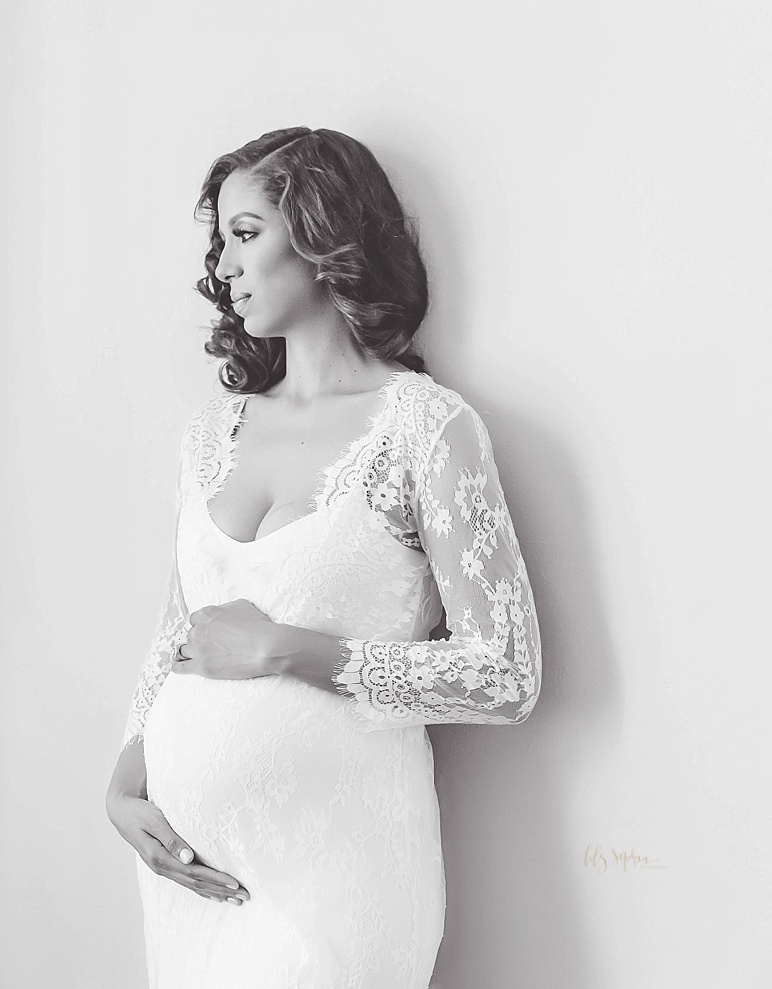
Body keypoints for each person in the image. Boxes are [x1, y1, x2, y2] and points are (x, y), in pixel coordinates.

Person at [104, 127, 542, 988]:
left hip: (340, 881)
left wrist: (291, 652)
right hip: (196, 887)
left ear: (321, 233)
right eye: (219, 241)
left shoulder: (426, 427)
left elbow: (507, 672)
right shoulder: (211, 435)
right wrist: (124, 787)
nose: (223, 268)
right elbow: (176, 638)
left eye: (246, 232)